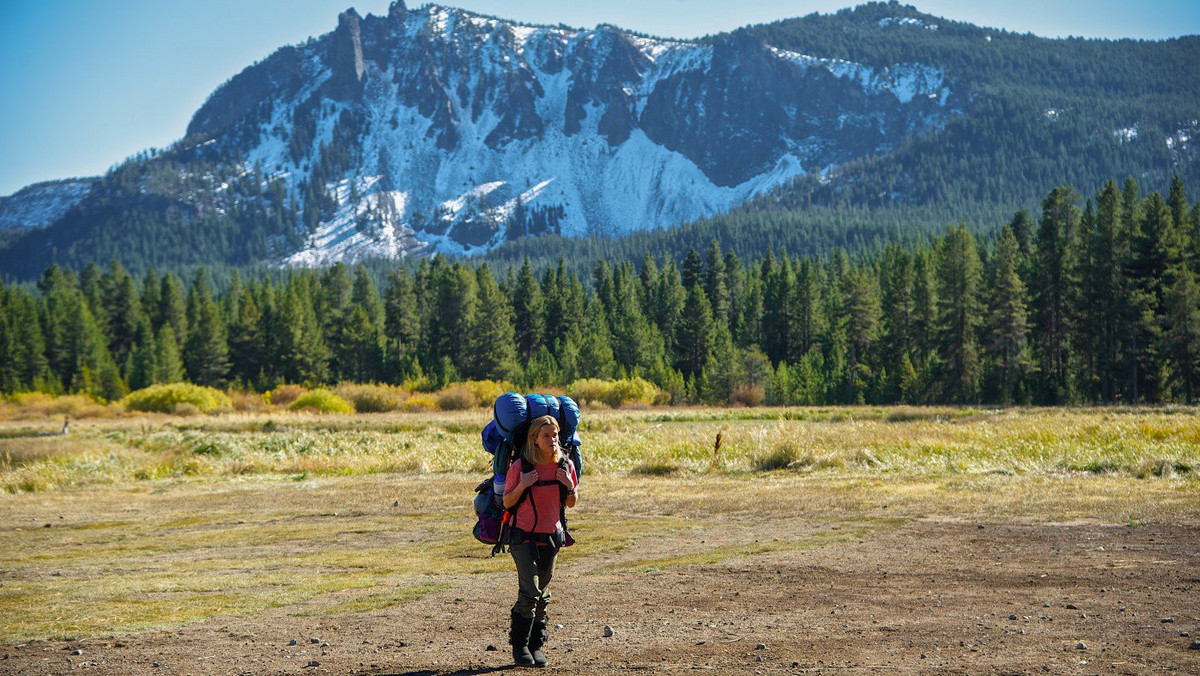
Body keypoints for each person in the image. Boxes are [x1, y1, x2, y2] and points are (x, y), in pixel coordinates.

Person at [502, 414, 578, 668]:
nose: (552, 439)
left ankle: (536, 646)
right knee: (530, 591)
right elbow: (507, 502)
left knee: (543, 595)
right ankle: (520, 646)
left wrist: (569, 486)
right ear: (534, 440)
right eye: (546, 435)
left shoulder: (565, 465)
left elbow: (571, 502)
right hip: (522, 537)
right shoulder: (520, 468)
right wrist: (523, 484)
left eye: (555, 434)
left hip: (552, 536)